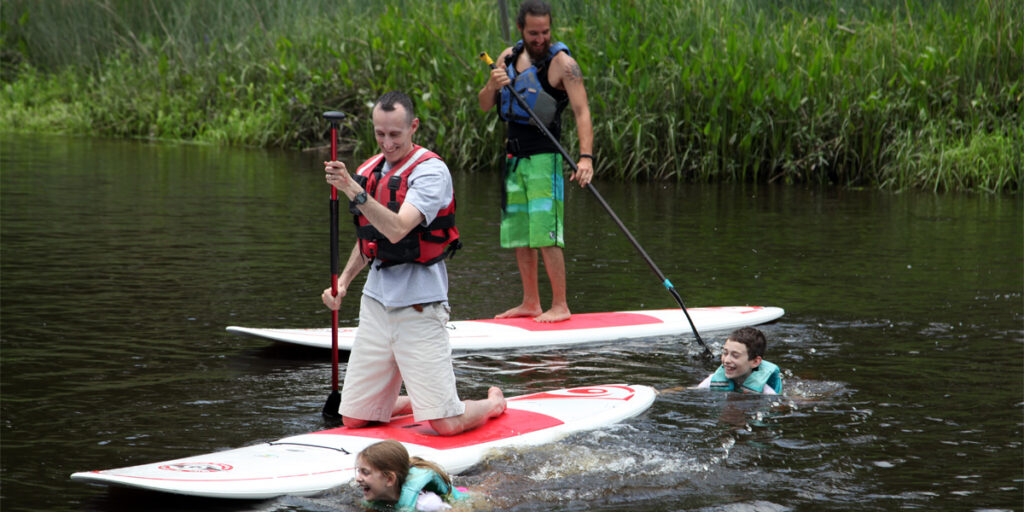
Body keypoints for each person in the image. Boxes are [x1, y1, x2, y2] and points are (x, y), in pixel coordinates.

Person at [322, 91, 506, 436]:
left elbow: (396, 228)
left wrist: (353, 190)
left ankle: (491, 404)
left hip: (420, 305)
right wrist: (344, 282)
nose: (387, 143)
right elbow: (369, 242)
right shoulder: (369, 171)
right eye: (380, 134)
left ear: (413, 127)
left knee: (446, 425)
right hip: (376, 303)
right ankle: (419, 398)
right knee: (355, 420)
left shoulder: (432, 173)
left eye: (395, 134)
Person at [478, 0, 594, 323]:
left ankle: (560, 305)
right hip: (514, 158)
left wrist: (585, 158)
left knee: (546, 233)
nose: (540, 38)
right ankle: (530, 301)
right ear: (521, 30)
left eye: (545, 32)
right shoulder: (506, 58)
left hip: (546, 158)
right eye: (533, 33)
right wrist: (491, 84)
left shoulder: (563, 64)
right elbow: (485, 104)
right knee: (520, 234)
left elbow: (582, 111)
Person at [355, 439, 467, 511]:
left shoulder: (427, 504)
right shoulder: (376, 499)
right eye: (358, 471)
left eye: (365, 472)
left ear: (389, 479)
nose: (358, 478)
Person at [697, 327, 783, 394]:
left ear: (755, 362)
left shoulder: (767, 392)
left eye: (735, 355)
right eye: (725, 353)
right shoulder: (712, 380)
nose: (726, 360)